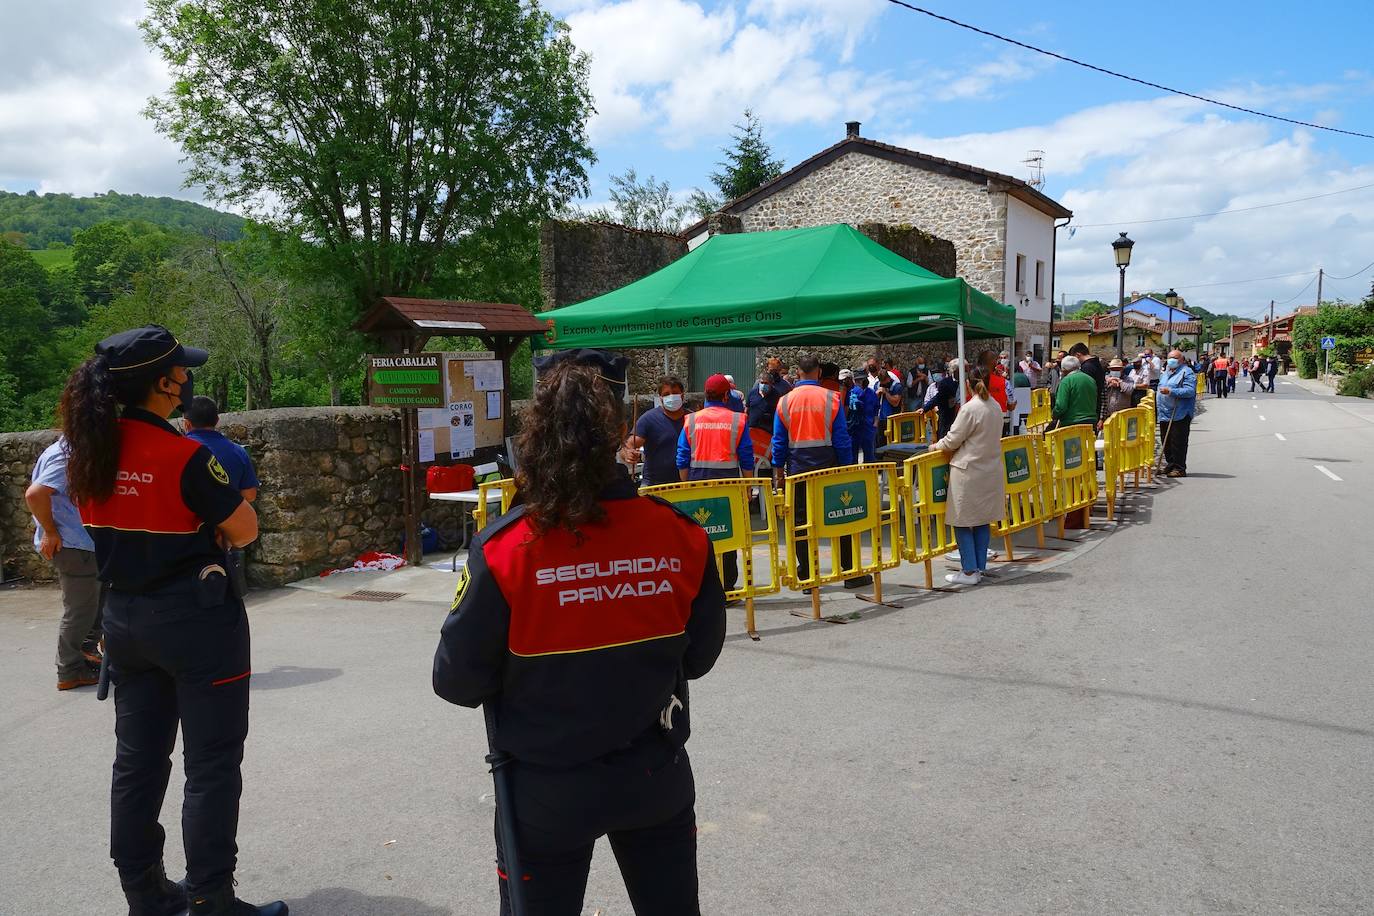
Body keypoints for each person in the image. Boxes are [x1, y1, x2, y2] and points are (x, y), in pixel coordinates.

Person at [433, 348, 726, 916]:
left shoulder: (505, 550)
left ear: (535, 434)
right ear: (621, 432)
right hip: (654, 771)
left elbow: (457, 681)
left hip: (546, 787)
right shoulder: (681, 534)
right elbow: (700, 655)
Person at [60, 326, 282, 915]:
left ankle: (146, 894)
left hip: (123, 617)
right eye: (181, 371)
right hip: (196, 620)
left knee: (136, 763)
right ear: (164, 384)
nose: (187, 378)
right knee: (210, 765)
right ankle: (212, 896)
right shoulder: (186, 456)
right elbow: (244, 528)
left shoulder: (88, 452)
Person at [772, 355, 870, 589]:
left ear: (797, 373)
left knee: (801, 523)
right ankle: (849, 572)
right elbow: (842, 439)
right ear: (818, 373)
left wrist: (778, 472)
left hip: (798, 469)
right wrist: (846, 468)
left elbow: (779, 442)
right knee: (841, 518)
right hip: (829, 467)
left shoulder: (784, 401)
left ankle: (807, 576)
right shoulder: (832, 398)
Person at [26, 435, 104, 690]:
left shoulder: (64, 449)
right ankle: (69, 669)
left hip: (80, 542)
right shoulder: (66, 456)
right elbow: (36, 494)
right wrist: (50, 531)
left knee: (92, 605)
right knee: (81, 610)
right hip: (72, 543)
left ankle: (84, 655)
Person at [677, 374, 754, 592]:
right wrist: (748, 487)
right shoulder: (738, 420)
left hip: (698, 483)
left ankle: (703, 586)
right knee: (729, 533)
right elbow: (746, 457)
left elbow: (682, 457)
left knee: (701, 536)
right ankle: (728, 586)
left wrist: (685, 486)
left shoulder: (691, 420)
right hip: (728, 485)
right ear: (727, 395)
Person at [929, 369, 1006, 587]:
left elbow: (953, 439)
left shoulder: (970, 409)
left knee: (961, 521)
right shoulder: (995, 406)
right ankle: (978, 567)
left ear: (966, 384)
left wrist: (935, 446)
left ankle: (969, 570)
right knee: (981, 520)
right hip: (990, 469)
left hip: (968, 470)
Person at [623, 376, 686, 487]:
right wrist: (628, 453)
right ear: (660, 398)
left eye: (675, 393)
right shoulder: (648, 419)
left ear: (682, 395)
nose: (671, 396)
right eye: (666, 394)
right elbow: (629, 444)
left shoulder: (692, 419)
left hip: (686, 484)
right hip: (654, 484)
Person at [1157, 349, 1197, 477]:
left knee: (1178, 441)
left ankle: (1180, 467)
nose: (1171, 360)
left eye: (1174, 358)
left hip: (1179, 412)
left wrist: (1171, 391)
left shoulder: (1187, 372)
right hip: (1164, 412)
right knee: (1166, 441)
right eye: (1169, 357)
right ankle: (1171, 464)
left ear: (1181, 360)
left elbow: (1190, 391)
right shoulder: (1166, 373)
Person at [919, 358, 963, 441]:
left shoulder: (966, 381)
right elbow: (938, 398)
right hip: (949, 418)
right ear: (955, 370)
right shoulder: (947, 383)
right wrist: (925, 408)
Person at [1052, 356, 1098, 429]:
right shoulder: (1090, 379)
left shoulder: (1066, 381)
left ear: (1064, 369)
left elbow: (1061, 406)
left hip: (1072, 423)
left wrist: (1054, 415)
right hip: (1091, 422)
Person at [845, 370, 879, 463]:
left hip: (868, 428)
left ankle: (870, 474)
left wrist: (875, 423)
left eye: (863, 380)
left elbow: (876, 408)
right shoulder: (851, 393)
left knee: (869, 456)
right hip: (854, 429)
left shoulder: (871, 393)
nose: (861, 382)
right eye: (858, 380)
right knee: (852, 456)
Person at [1067, 343, 1105, 425]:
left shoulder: (1086, 368)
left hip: (1086, 410)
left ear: (1078, 355)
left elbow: (1083, 389)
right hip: (1095, 408)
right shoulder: (1098, 364)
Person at [1102, 357, 1136, 422]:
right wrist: (1108, 383)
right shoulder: (1105, 378)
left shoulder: (1128, 379)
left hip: (1123, 414)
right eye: (1113, 369)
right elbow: (1101, 391)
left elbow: (1129, 390)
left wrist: (1120, 382)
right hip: (1108, 414)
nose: (1115, 371)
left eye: (1118, 369)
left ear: (1122, 369)